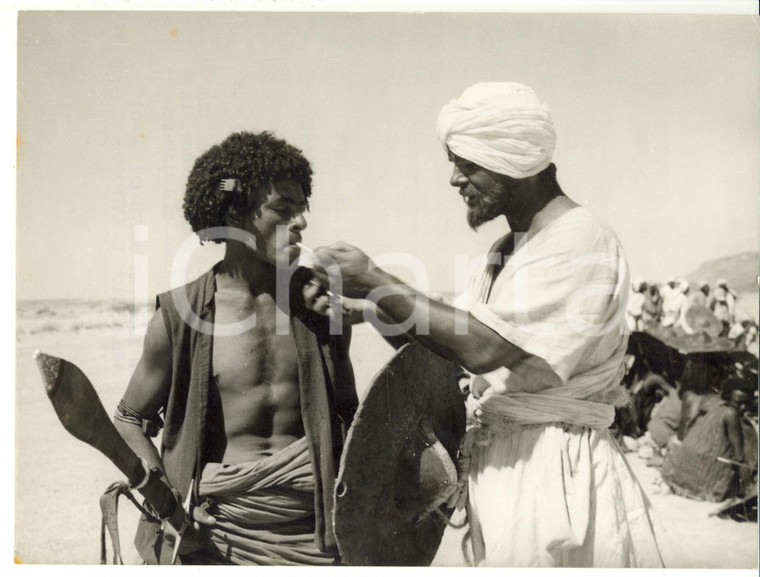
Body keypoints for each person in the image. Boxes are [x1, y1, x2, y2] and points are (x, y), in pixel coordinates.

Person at [306, 83, 663, 567]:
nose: (455, 179)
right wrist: (370, 308)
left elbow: (487, 349)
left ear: (512, 161)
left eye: (466, 163)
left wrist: (374, 279)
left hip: (556, 473)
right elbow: (447, 350)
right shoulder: (502, 253)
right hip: (506, 472)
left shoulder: (581, 238)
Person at [113, 131, 358, 565]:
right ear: (233, 216)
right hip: (213, 539)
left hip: (315, 538)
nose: (301, 222)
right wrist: (166, 505)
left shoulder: (319, 308)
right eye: (284, 209)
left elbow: (351, 421)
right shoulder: (180, 315)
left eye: (302, 209)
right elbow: (130, 418)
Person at [661, 377, 756, 502]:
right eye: (738, 402)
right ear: (728, 397)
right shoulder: (731, 413)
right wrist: (749, 488)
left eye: (746, 403)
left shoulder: (710, 404)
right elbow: (739, 458)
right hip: (705, 483)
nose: (743, 407)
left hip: (680, 475)